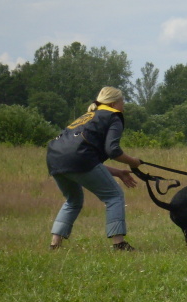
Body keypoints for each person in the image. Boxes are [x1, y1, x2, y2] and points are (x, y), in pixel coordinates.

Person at [46, 86, 141, 251]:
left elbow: (83, 156)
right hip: (78, 160)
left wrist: (118, 172)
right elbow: (113, 150)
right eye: (122, 101)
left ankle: (55, 244)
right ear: (113, 103)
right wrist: (133, 162)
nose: (123, 106)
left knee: (73, 201)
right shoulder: (113, 117)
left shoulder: (88, 116)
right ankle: (119, 243)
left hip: (54, 159)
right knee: (114, 196)